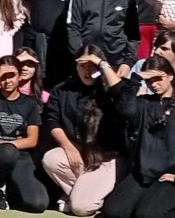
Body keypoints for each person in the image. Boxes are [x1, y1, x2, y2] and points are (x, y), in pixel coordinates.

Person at [98, 54, 175, 218]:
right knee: (112, 212)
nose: (154, 84)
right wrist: (136, 78)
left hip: (174, 176)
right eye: (149, 80)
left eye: (158, 78)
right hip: (143, 174)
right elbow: (124, 108)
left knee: (146, 215)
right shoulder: (144, 104)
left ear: (170, 76)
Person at [45, 45, 122, 216]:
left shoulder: (109, 91)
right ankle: (83, 193)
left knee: (80, 208)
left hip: (104, 158)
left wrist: (102, 64)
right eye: (83, 65)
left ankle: (80, 197)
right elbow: (52, 120)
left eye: (92, 66)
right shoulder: (62, 89)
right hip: (78, 154)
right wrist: (68, 146)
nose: (87, 71)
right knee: (51, 159)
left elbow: (122, 93)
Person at [0, 52, 47, 211]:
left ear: (20, 77)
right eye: (3, 76)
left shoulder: (30, 103)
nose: (7, 80)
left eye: (11, 75)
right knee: (6, 152)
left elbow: (31, 140)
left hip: (19, 155)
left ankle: (12, 189)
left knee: (38, 203)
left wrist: (0, 143)